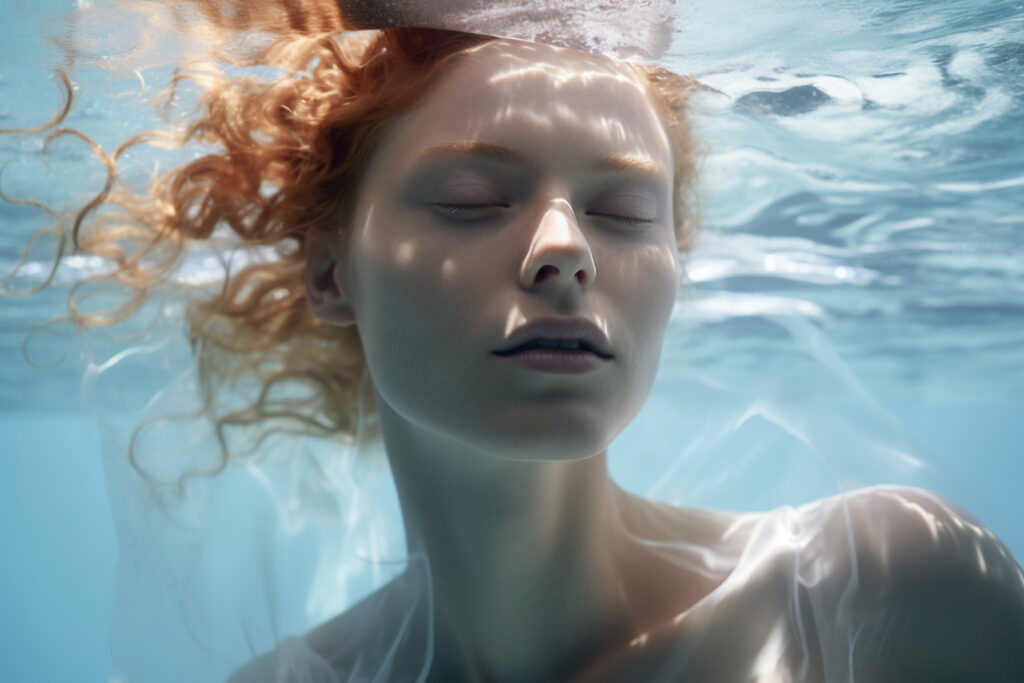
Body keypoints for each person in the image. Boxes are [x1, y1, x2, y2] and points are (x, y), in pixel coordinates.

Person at [5, 2, 1024, 681]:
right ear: (328, 271)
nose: (564, 252)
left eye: (626, 210)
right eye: (470, 198)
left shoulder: (888, 588)